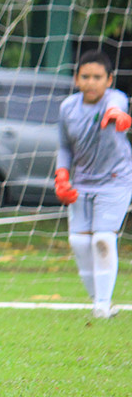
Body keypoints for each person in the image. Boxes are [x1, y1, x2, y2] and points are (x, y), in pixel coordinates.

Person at [54, 49, 132, 319]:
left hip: (115, 179)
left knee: (102, 238)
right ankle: (98, 301)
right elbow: (64, 146)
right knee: (78, 242)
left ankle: (101, 305)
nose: (91, 82)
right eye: (85, 76)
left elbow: (118, 108)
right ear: (76, 79)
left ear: (109, 80)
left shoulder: (116, 98)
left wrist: (118, 118)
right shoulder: (68, 108)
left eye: (97, 77)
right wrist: (61, 176)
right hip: (82, 181)